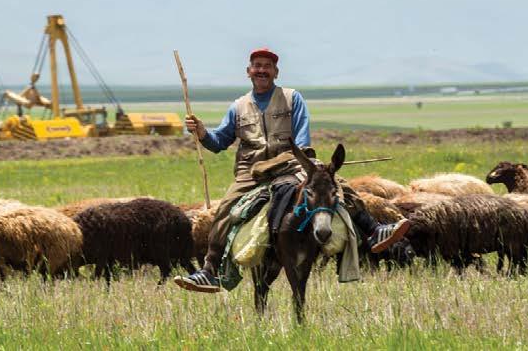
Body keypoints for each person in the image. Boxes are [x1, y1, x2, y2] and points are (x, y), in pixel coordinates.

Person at [173, 47, 410, 293]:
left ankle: (373, 230)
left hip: (290, 162)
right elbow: (218, 142)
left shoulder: (292, 98)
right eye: (257, 65)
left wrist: (305, 162)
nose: (261, 70)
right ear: (248, 72)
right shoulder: (238, 107)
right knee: (225, 210)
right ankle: (210, 271)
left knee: (332, 182)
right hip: (251, 172)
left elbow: (302, 139)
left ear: (276, 72)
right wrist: (201, 132)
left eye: (267, 66)